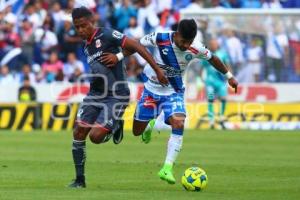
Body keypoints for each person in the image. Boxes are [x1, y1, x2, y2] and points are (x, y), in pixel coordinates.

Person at [102, 19, 238, 184]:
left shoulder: (196, 47)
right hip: (151, 90)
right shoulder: (160, 38)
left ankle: (167, 168)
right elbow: (136, 45)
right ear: (177, 34)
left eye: (189, 42)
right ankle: (151, 124)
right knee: (137, 131)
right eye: (183, 41)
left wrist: (229, 77)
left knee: (179, 123)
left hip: (173, 91)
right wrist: (118, 56)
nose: (186, 46)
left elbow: (213, 59)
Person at [69, 7, 168, 188]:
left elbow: (137, 45)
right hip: (95, 94)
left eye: (83, 26)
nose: (81, 30)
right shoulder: (86, 46)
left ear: (92, 21)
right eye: (77, 27)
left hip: (117, 94)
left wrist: (157, 70)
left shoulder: (106, 35)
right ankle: (79, 180)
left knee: (96, 137)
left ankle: (115, 125)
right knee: (78, 132)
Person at [199, 39, 231, 129]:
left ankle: (221, 118)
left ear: (217, 45)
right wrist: (201, 79)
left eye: (215, 44)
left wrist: (229, 77)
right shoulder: (206, 54)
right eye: (212, 44)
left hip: (221, 82)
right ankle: (211, 121)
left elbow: (228, 66)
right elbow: (202, 68)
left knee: (223, 99)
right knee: (210, 99)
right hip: (209, 83)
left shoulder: (223, 54)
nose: (213, 45)